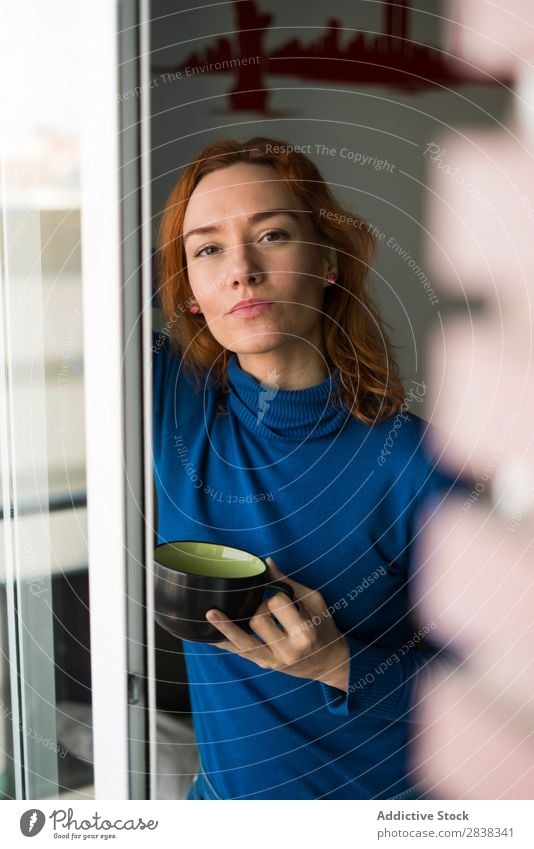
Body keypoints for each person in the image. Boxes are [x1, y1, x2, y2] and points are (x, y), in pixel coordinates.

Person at [152, 136, 464, 800]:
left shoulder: (419, 466)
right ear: (189, 294)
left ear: (327, 260)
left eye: (271, 234)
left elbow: (492, 703)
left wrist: (335, 660)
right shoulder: (172, 408)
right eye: (207, 248)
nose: (240, 269)